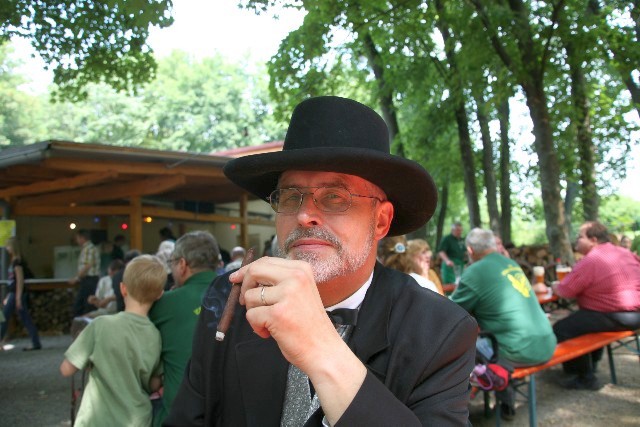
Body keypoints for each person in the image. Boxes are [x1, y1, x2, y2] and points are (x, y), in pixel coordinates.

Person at [166, 96, 477, 426]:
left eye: (334, 197)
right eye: (290, 197)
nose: (304, 215)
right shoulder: (233, 299)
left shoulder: (440, 330)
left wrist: (321, 348)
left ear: (381, 221)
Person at [450, 228, 556, 420]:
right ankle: (504, 403)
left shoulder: (475, 271)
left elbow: (451, 311)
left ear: (470, 250)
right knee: (490, 341)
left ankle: (456, 411)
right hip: (547, 342)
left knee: (459, 348)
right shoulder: (510, 263)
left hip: (520, 349)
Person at [60, 255, 166, 427]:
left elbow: (66, 369)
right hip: (137, 419)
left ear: (123, 289)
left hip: (97, 419)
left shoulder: (101, 325)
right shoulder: (156, 336)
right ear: (160, 294)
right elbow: (153, 383)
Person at [552, 221, 640, 390]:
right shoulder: (624, 252)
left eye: (580, 237)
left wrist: (554, 286)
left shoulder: (592, 259)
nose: (576, 241)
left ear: (593, 240)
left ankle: (583, 376)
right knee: (585, 323)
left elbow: (566, 291)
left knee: (562, 329)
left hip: (616, 314)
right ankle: (591, 366)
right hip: (636, 314)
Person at [149, 231, 221, 427]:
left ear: (182, 264)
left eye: (171, 262)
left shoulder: (164, 304)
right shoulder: (240, 296)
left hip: (178, 415)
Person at [1, 237, 41, 351]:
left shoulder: (17, 262)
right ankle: (36, 342)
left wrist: (18, 297)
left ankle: (35, 342)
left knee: (4, 317)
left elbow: (19, 280)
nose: (7, 248)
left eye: (8, 246)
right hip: (13, 293)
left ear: (13, 247)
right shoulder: (14, 260)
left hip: (16, 294)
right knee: (25, 318)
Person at [69, 229, 101, 317]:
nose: (77, 241)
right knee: (84, 304)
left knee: (83, 305)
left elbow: (87, 266)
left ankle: (83, 323)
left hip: (89, 279)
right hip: (89, 280)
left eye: (77, 238)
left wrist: (76, 278)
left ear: (82, 238)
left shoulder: (88, 249)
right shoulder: (89, 248)